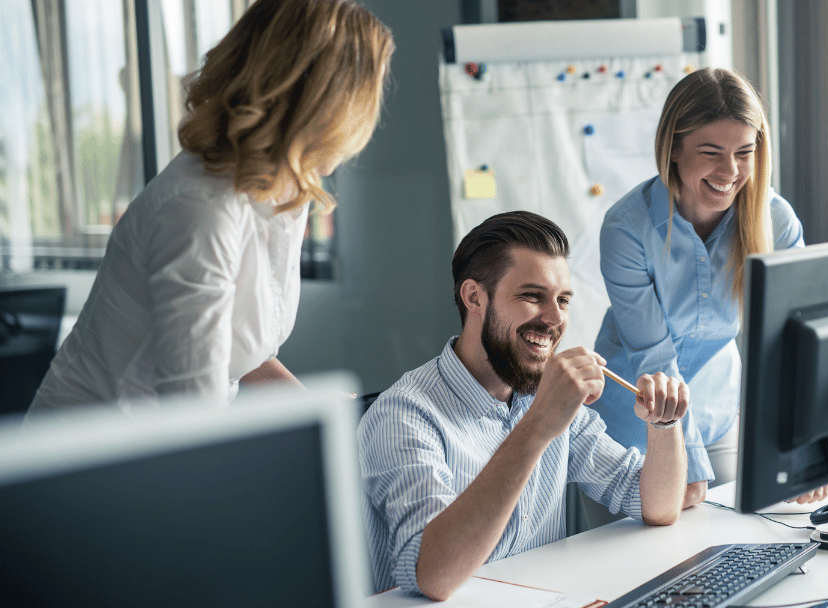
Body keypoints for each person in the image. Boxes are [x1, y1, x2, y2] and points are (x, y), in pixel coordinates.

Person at [25, 0, 394, 420]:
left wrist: (317, 407)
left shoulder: (277, 192)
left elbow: (237, 350)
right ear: (325, 104)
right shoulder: (199, 211)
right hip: (92, 454)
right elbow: (194, 413)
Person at [359, 211, 691, 599]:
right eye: (533, 296)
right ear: (474, 297)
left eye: (563, 300)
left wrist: (664, 424)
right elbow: (433, 576)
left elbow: (658, 506)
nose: (554, 319)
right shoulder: (403, 415)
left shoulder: (543, 395)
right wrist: (538, 426)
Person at [588, 67, 827, 510]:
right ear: (674, 148)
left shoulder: (775, 221)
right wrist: (687, 466)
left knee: (738, 551)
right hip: (629, 427)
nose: (730, 171)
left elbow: (792, 344)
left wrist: (800, 441)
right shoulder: (628, 228)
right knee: (633, 570)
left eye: (744, 152)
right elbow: (655, 360)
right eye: (711, 152)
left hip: (718, 417)